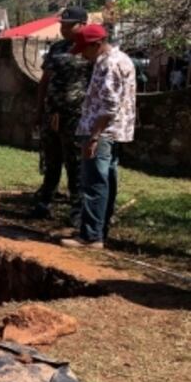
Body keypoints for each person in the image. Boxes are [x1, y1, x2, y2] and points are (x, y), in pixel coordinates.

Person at [61, 24, 136, 249]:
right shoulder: (118, 59)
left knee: (94, 182)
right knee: (106, 181)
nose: (83, 54)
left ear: (97, 44)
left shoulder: (110, 64)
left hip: (102, 132)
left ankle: (91, 236)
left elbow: (109, 105)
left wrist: (94, 136)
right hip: (113, 131)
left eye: (85, 49)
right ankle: (98, 231)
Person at [31, 6, 90, 226]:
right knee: (51, 159)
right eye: (62, 24)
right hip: (51, 113)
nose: (64, 28)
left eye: (69, 24)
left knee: (74, 162)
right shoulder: (57, 48)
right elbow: (44, 81)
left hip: (76, 116)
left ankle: (77, 207)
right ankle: (45, 199)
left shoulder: (90, 50)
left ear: (83, 24)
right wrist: (38, 111)